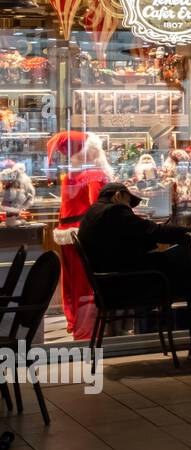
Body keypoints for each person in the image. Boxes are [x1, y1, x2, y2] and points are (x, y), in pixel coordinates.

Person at [77, 183, 191, 347]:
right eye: (128, 204)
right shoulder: (114, 211)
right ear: (118, 196)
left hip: (112, 284)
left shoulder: (93, 214)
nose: (130, 210)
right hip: (128, 283)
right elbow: (153, 231)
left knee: (190, 269)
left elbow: (132, 238)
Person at [47, 131, 114, 340]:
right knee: (87, 283)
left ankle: (75, 321)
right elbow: (98, 207)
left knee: (72, 280)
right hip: (85, 234)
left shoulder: (71, 175)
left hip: (69, 233)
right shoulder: (93, 175)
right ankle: (86, 328)